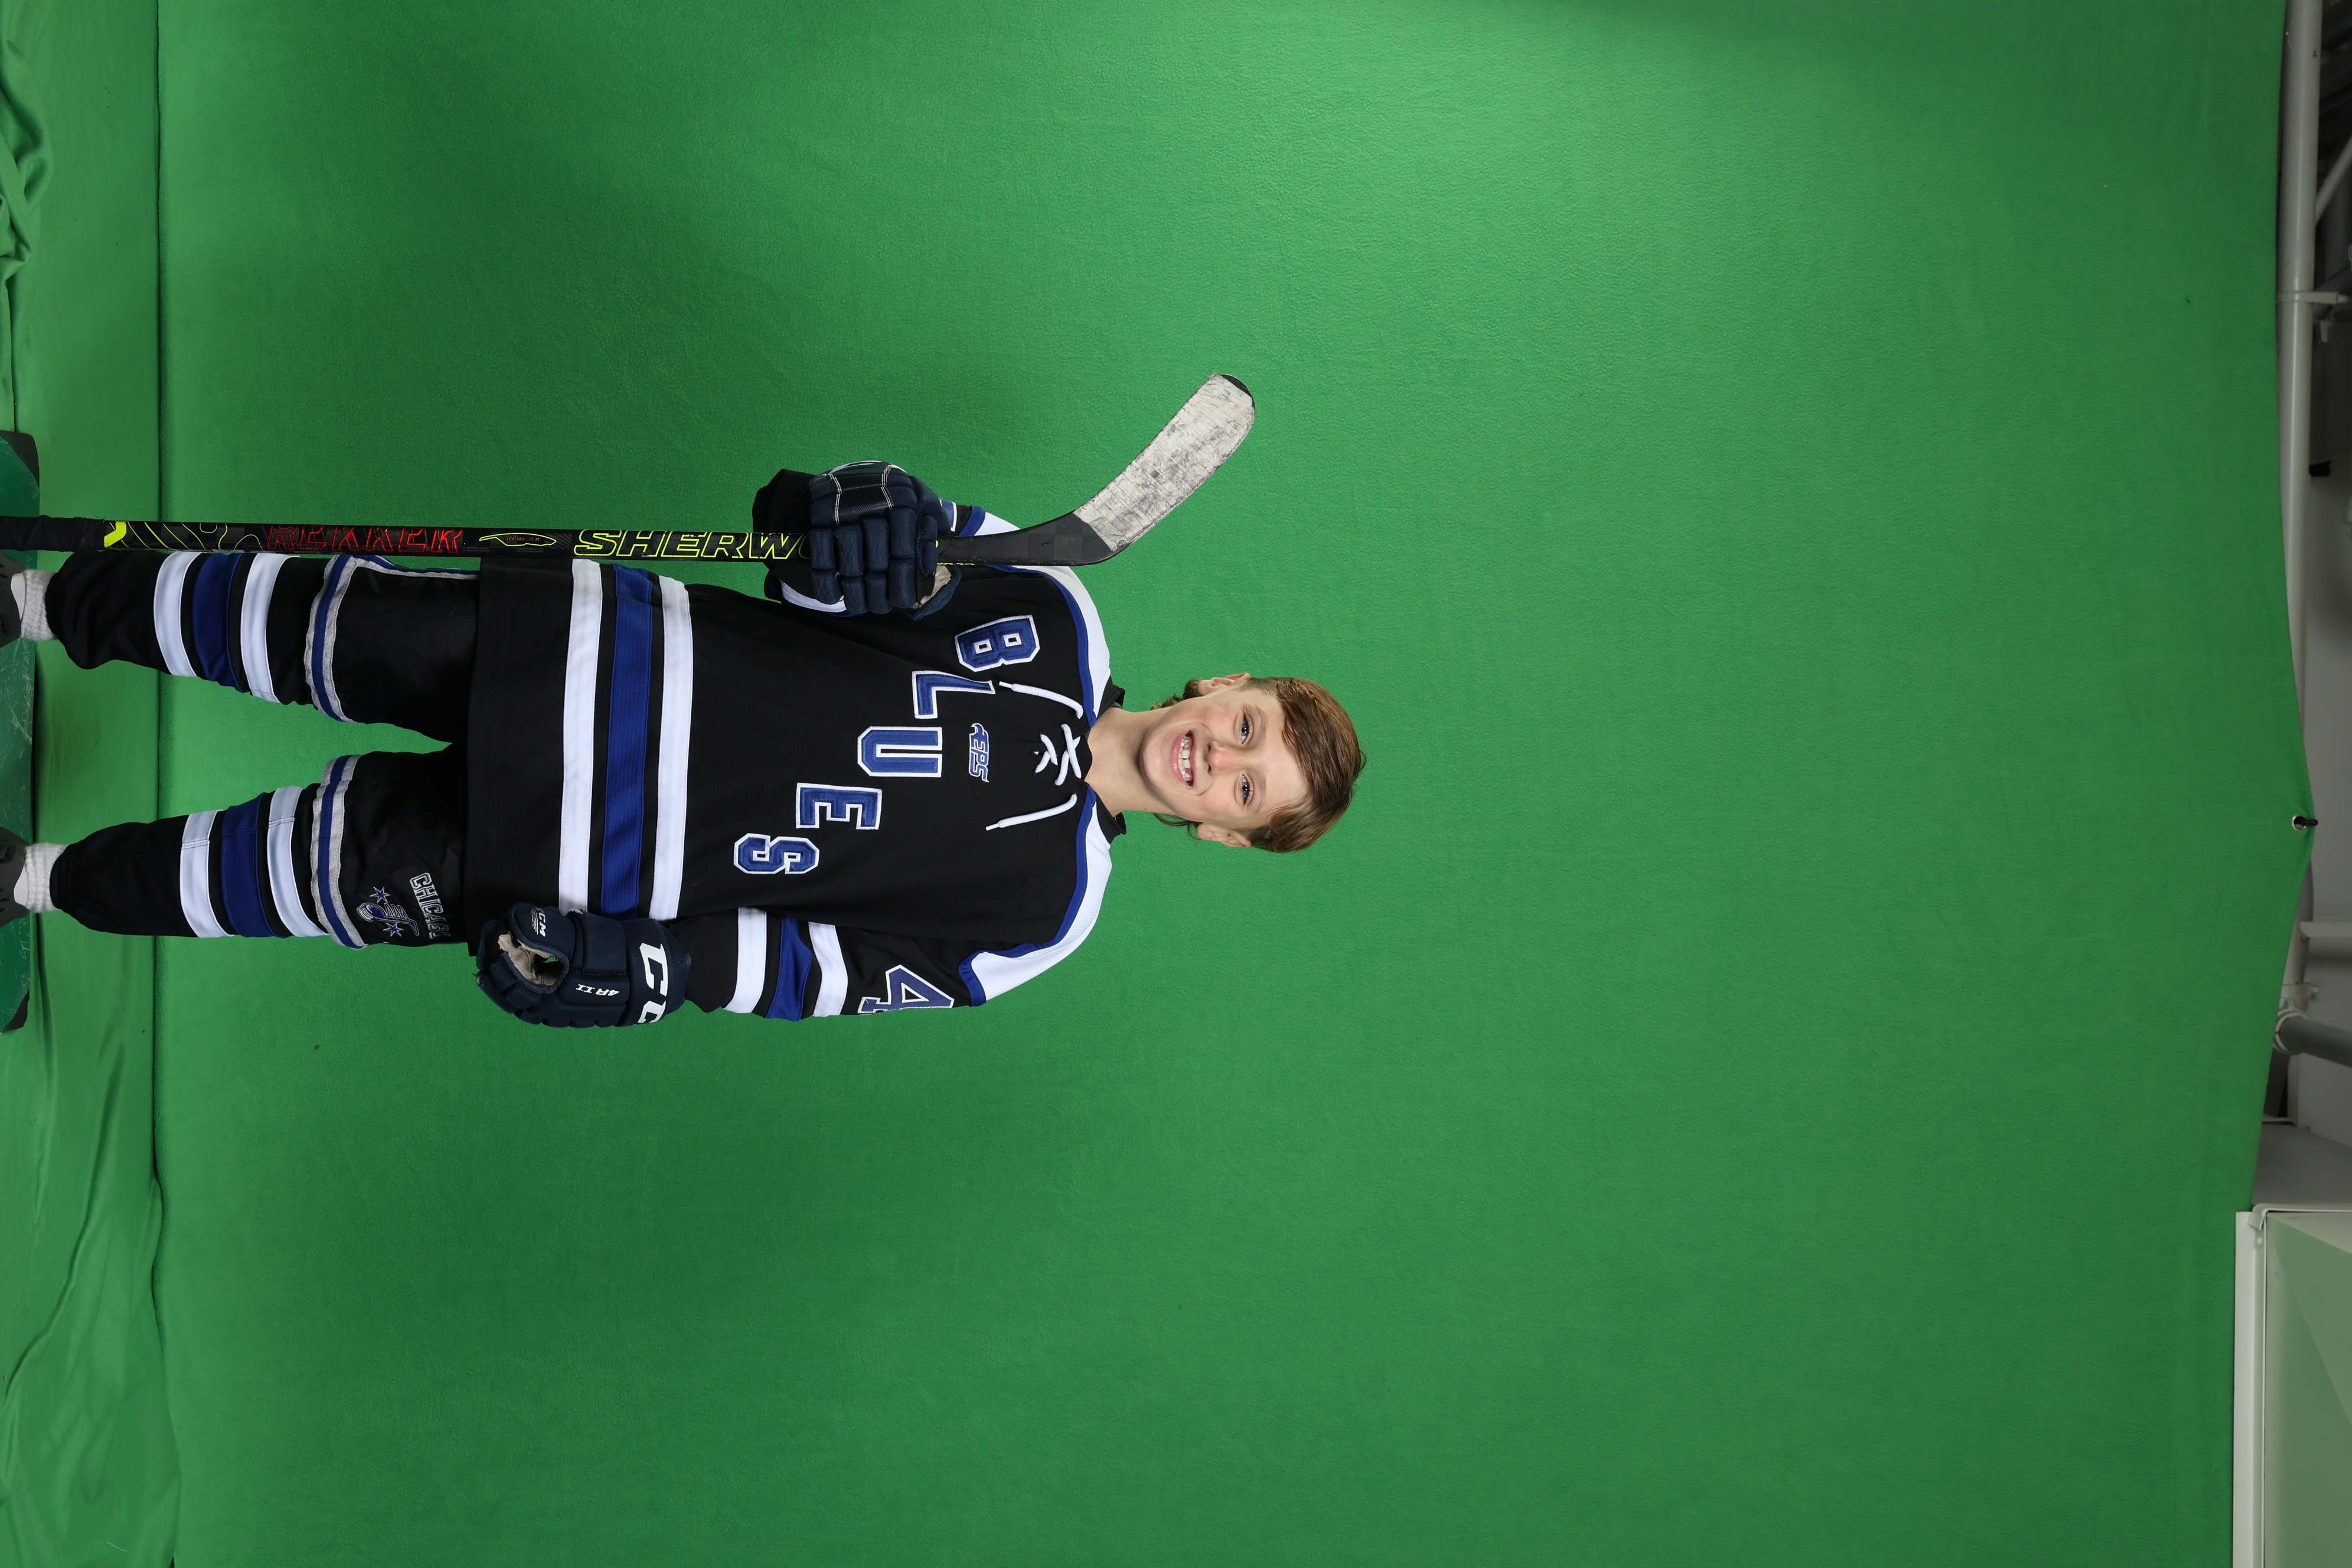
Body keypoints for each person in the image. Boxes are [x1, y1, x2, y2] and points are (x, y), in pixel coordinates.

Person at [0, 463, 1364, 1027]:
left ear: (1221, 831)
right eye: (1246, 726)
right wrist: (851, 513)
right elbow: (820, 546)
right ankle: (31, 601)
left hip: (588, 862)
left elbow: (824, 969)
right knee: (298, 619)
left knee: (286, 875)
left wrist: (658, 969)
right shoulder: (1052, 607)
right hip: (587, 653)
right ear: (1224, 683)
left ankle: (30, 879)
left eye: (1248, 788)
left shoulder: (1046, 916)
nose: (1221, 754)